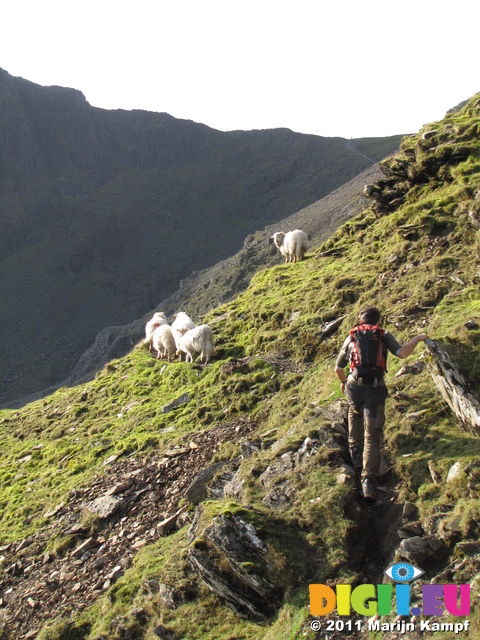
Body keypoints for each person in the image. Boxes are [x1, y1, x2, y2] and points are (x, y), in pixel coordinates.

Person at [334, 305, 428, 500]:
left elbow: (338, 368)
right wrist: (418, 339)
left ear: (361, 321)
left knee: (354, 413)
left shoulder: (351, 337)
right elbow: (402, 353)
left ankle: (356, 458)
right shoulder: (384, 335)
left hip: (354, 386)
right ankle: (368, 482)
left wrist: (344, 383)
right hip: (375, 389)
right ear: (378, 321)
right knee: (374, 435)